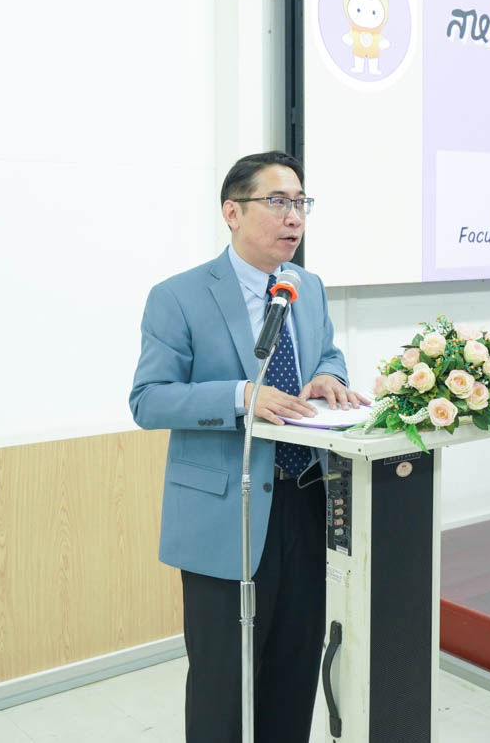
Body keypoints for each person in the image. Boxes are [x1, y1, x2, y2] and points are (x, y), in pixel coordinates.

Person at [130, 150, 368, 743]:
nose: (294, 217)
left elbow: (327, 353)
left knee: (294, 666)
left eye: (301, 203)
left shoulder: (307, 287)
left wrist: (329, 376)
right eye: (278, 202)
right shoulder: (179, 296)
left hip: (306, 500)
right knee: (223, 682)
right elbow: (149, 400)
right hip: (226, 511)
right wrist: (242, 396)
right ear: (232, 212)